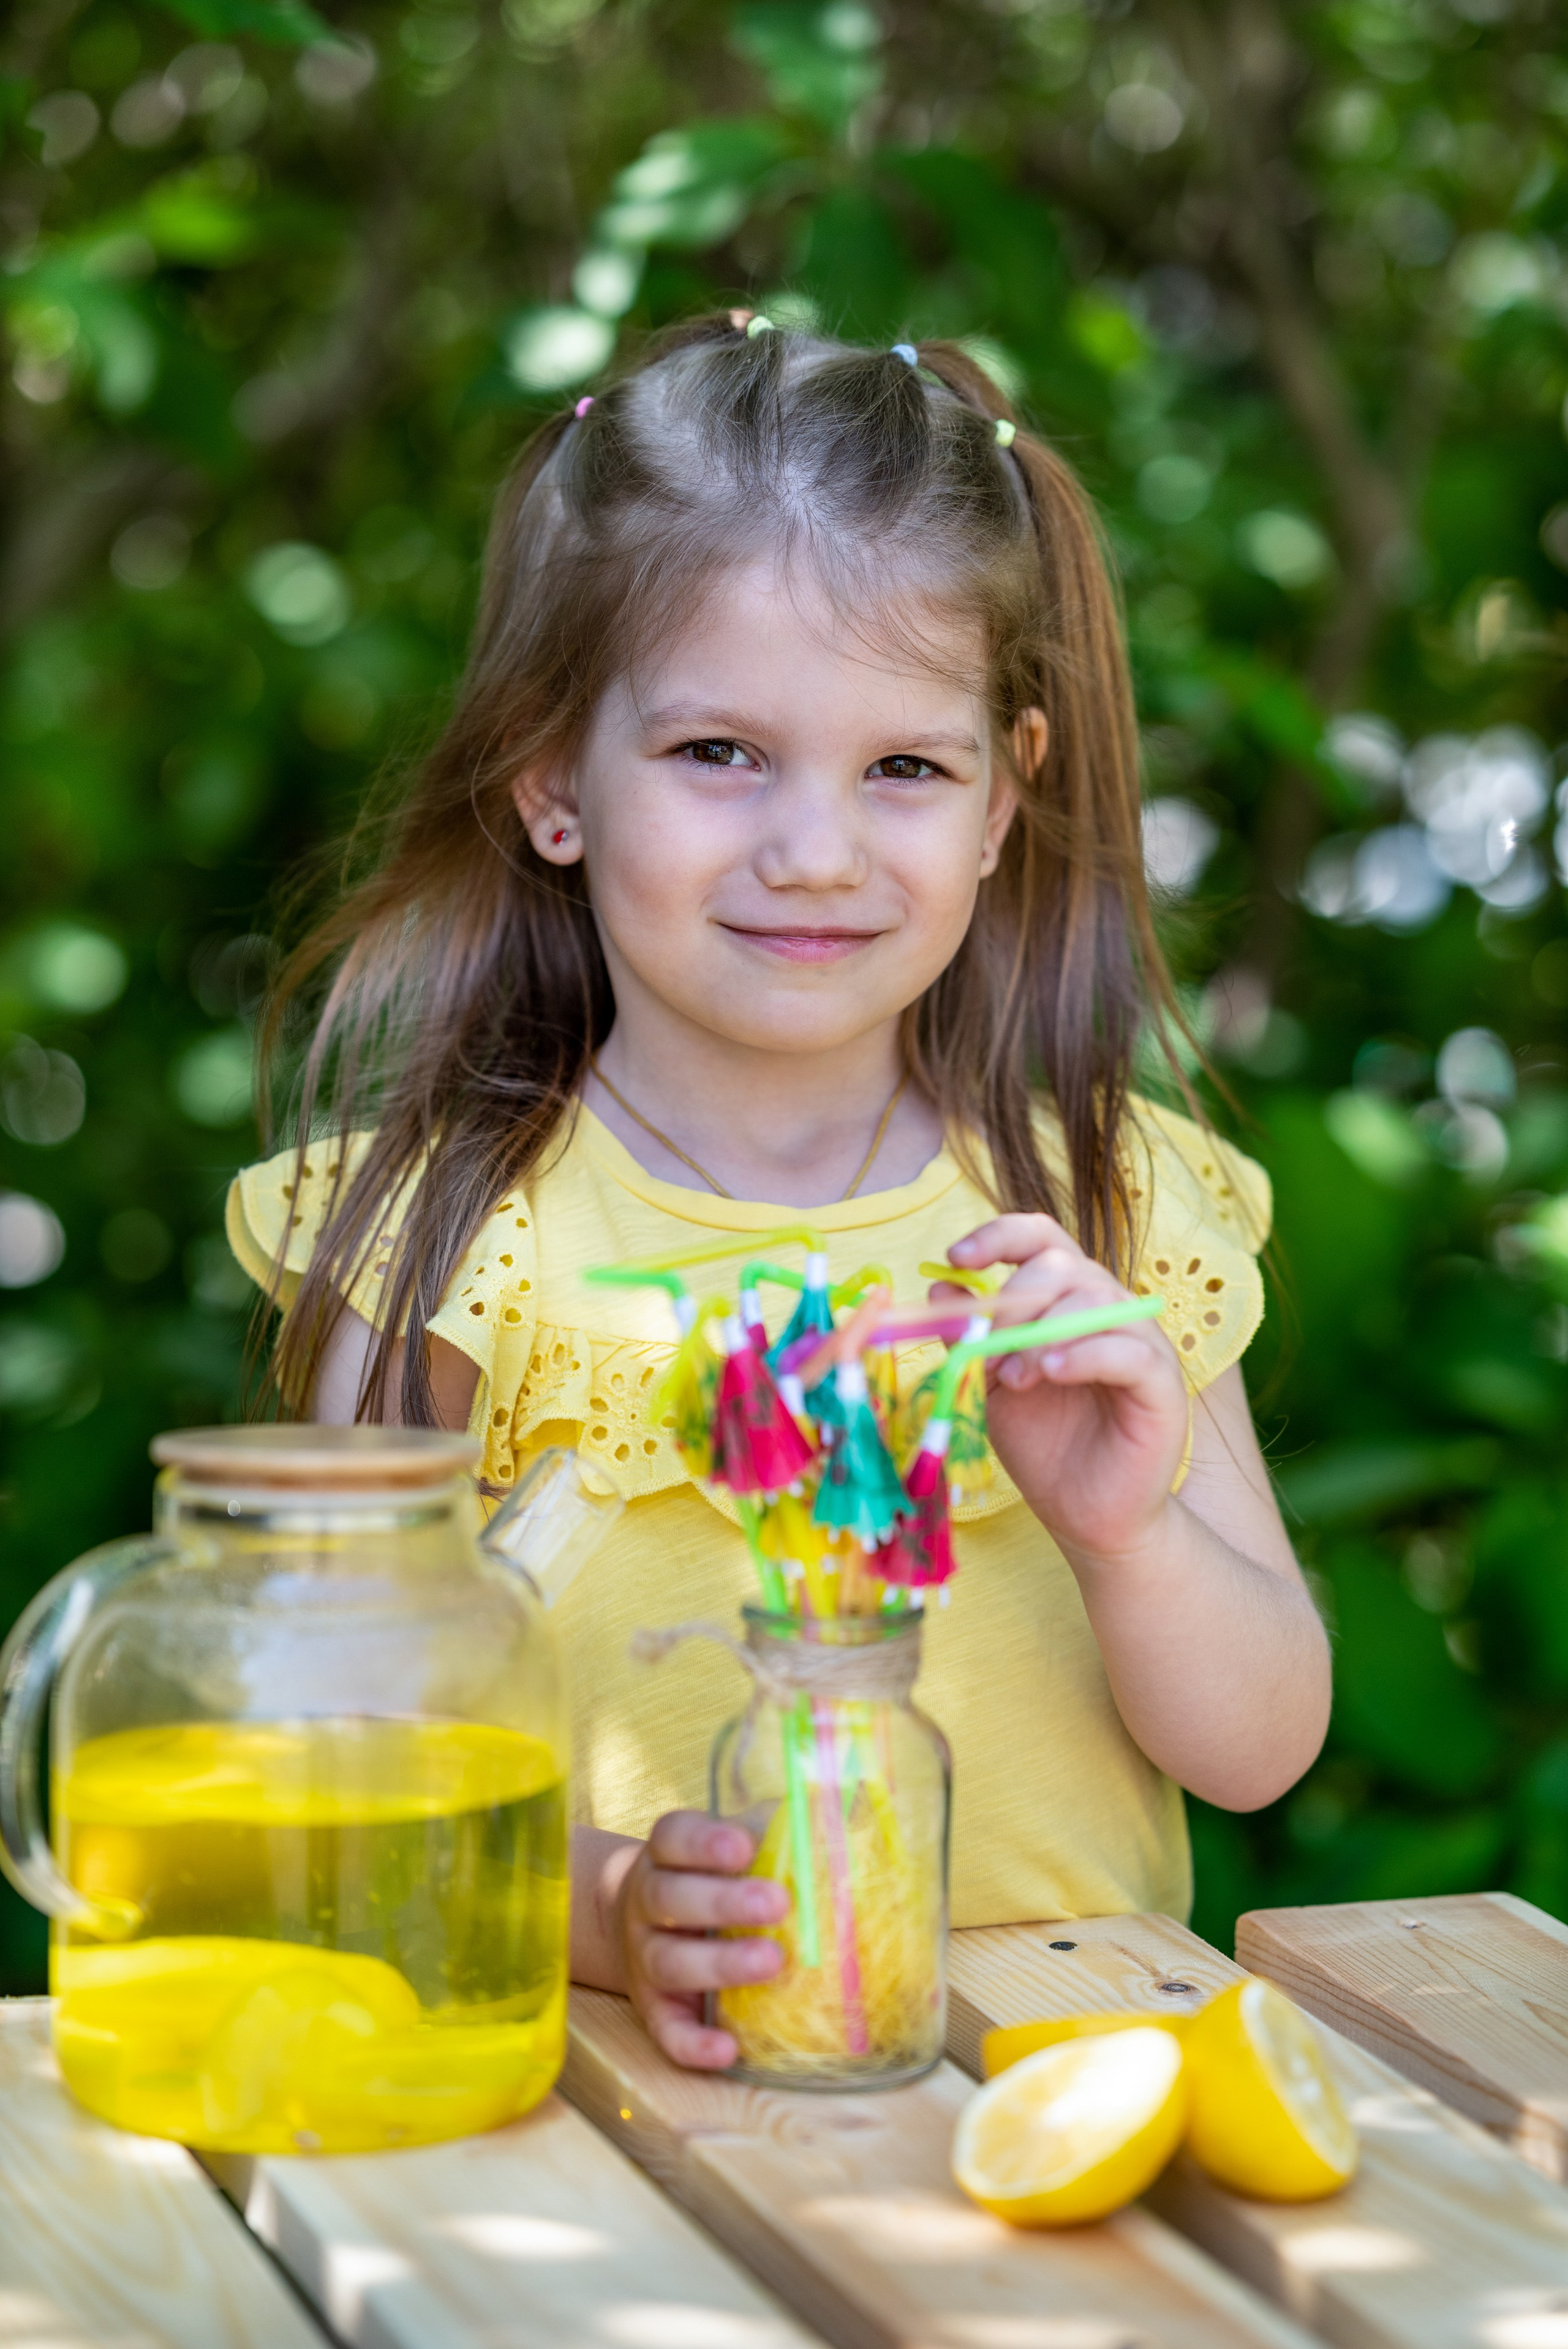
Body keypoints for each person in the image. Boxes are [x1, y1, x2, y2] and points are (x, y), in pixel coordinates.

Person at [227, 315, 1330, 2072]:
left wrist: (1129, 1530)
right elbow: (331, 1764)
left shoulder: (1096, 1211)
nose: (814, 848)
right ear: (548, 777)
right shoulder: (463, 1242)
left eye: (904, 766)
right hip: (630, 2139)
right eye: (720, 753)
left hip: (1055, 2119)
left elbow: (1260, 1742)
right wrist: (595, 1904)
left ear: (1000, 800)